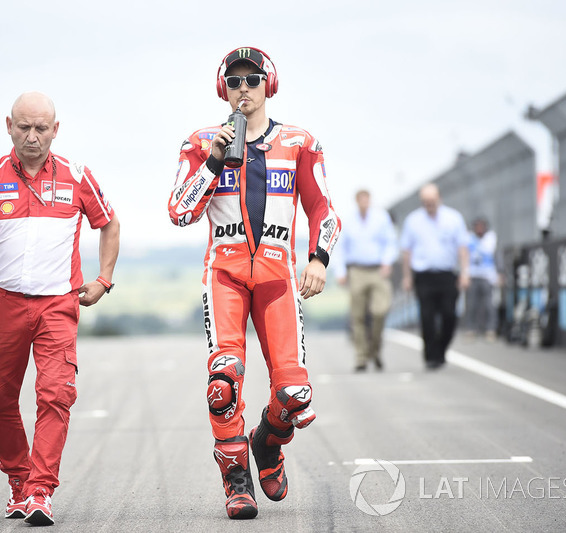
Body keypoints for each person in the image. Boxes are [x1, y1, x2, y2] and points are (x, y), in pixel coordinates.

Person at [167, 47, 340, 519]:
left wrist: (319, 259)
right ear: (223, 88)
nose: (245, 88)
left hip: (277, 278)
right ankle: (236, 479)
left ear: (270, 84)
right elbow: (180, 211)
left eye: (253, 79)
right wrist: (214, 162)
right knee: (223, 383)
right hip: (223, 276)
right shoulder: (201, 142)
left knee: (294, 395)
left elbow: (323, 209)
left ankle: (266, 443)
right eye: (236, 80)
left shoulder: (300, 142)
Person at [0, 91, 120, 526]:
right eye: (24, 127)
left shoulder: (76, 175)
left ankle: (40, 491)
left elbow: (109, 224)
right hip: (3, 303)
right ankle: (20, 480)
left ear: (55, 129)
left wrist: (103, 279)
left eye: (41, 128)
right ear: (8, 125)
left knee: (55, 395)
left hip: (57, 306)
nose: (32, 137)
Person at [400, 183, 469, 369]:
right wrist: (407, 277)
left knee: (449, 315)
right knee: (427, 317)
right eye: (425, 201)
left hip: (447, 275)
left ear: (439, 198)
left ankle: (441, 348)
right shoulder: (413, 221)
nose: (429, 204)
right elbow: (406, 251)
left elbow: (462, 248)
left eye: (432, 200)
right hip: (423, 276)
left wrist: (464, 273)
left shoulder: (453, 218)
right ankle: (431, 356)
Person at [333, 189, 397, 371]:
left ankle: (375, 350)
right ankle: (361, 356)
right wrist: (340, 271)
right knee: (358, 315)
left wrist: (387, 262)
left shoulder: (381, 217)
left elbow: (390, 241)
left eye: (366, 200)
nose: (364, 203)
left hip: (377, 269)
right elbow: (341, 248)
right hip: (357, 270)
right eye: (361, 200)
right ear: (357, 201)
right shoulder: (349, 220)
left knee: (380, 310)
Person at [465, 217, 499, 341]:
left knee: (489, 305)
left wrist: (499, 273)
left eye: (481, 226)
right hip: (472, 275)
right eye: (477, 226)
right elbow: (463, 256)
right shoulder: (468, 239)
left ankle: (491, 330)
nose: (479, 229)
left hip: (487, 277)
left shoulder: (491, 239)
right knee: (471, 305)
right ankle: (471, 330)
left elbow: (496, 256)